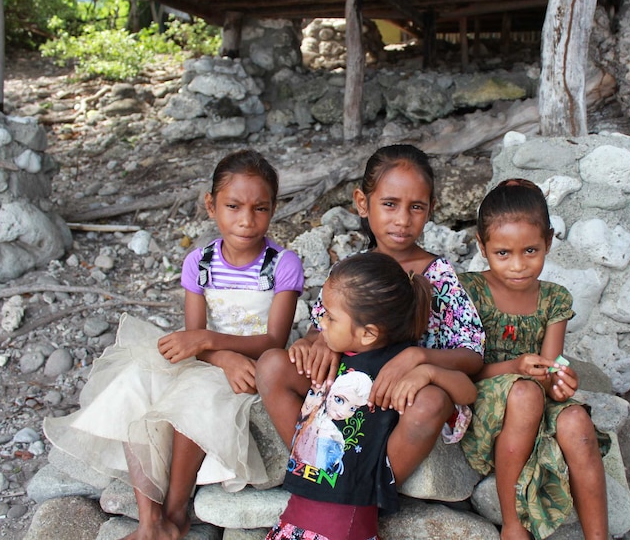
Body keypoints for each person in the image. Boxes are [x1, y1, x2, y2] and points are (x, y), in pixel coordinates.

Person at [43, 149, 304, 540]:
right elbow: (190, 339)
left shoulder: (282, 264)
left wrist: (212, 344)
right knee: (133, 381)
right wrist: (218, 353)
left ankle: (176, 513)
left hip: (255, 364)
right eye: (233, 206)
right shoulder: (198, 263)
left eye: (260, 209)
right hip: (214, 359)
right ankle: (150, 521)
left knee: (194, 398)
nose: (247, 221)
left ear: (273, 209)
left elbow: (273, 340)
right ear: (210, 205)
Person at [256, 144, 485, 486]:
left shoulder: (438, 275)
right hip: (348, 390)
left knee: (433, 401)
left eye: (416, 207)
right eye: (390, 204)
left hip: (399, 396)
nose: (403, 220)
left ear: (431, 209)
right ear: (362, 203)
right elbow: (323, 326)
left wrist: (418, 357)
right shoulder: (350, 269)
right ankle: (316, 471)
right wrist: (314, 342)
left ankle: (372, 487)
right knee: (272, 365)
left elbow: (472, 356)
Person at [263, 252, 477, 540]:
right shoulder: (329, 357)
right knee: (270, 363)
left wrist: (429, 372)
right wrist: (307, 342)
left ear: (368, 334)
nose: (321, 322)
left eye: (330, 317)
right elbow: (284, 364)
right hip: (299, 512)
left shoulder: (398, 366)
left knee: (434, 399)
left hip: (346, 522)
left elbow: (466, 392)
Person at [458, 179, 611, 540]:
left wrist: (562, 381)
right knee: (524, 394)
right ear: (482, 246)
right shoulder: (469, 291)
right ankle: (512, 524)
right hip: (484, 396)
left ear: (549, 242)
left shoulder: (555, 299)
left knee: (576, 420)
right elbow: (464, 370)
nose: (518, 266)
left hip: (534, 394)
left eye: (530, 251)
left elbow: (550, 368)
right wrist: (515, 367)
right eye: (503, 253)